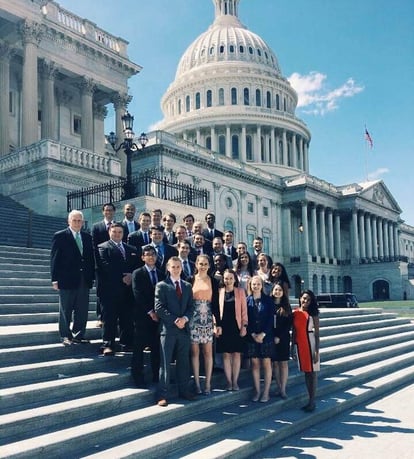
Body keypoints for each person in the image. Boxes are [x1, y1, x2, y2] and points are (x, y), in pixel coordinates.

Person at [154, 257, 195, 407]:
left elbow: (191, 307)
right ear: (168, 268)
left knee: (183, 362)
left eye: (178, 267)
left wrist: (184, 319)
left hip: (183, 330)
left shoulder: (187, 286)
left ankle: (184, 390)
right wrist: (174, 320)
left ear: (181, 268)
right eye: (173, 267)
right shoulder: (162, 285)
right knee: (165, 363)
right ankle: (162, 395)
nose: (176, 269)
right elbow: (159, 308)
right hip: (168, 330)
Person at [50, 210, 95, 346]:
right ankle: (65, 335)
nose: (77, 223)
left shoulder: (87, 237)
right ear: (69, 221)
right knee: (66, 308)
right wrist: (54, 279)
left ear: (82, 222)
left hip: (83, 279)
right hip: (66, 278)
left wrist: (91, 277)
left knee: (82, 309)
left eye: (79, 221)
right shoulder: (60, 236)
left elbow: (90, 259)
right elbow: (54, 259)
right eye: (74, 220)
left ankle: (78, 335)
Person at [96, 223, 140, 355]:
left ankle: (126, 343)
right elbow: (105, 265)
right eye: (114, 232)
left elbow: (136, 265)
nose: (117, 234)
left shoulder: (131, 248)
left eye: (120, 232)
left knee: (126, 318)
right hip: (110, 290)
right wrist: (123, 277)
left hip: (127, 290)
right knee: (109, 319)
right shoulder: (102, 247)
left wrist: (132, 275)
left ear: (123, 233)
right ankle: (108, 344)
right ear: (109, 232)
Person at [130, 245, 165, 387]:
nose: (151, 256)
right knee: (139, 348)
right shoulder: (137, 273)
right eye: (147, 254)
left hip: (158, 317)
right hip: (143, 316)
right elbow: (138, 294)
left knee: (157, 348)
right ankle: (138, 377)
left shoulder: (162, 274)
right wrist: (150, 312)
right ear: (142, 257)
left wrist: (159, 312)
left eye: (153, 254)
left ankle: (157, 375)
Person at [188, 254, 219, 395]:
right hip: (194, 318)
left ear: (209, 265)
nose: (203, 266)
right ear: (196, 265)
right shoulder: (190, 279)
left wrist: (216, 322)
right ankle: (196, 383)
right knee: (195, 352)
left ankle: (207, 383)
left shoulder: (213, 281)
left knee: (208, 352)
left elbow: (216, 304)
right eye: (201, 263)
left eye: (206, 264)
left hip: (207, 318)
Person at [215, 269, 248, 391]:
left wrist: (244, 326)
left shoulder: (240, 292)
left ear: (235, 279)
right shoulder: (219, 292)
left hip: (236, 326)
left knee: (236, 354)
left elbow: (244, 311)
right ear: (223, 279)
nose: (228, 281)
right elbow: (216, 311)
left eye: (230, 278)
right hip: (223, 327)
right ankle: (229, 382)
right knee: (226, 355)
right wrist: (216, 326)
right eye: (226, 278)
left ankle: (235, 381)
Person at [246, 275, 274, 402]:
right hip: (252, 337)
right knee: (255, 364)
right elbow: (245, 320)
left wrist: (263, 334)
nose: (256, 286)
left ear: (262, 285)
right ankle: (257, 391)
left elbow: (270, 319)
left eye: (258, 284)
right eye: (253, 284)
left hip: (266, 336)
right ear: (250, 286)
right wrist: (252, 334)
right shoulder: (247, 300)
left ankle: (266, 392)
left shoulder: (268, 300)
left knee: (266, 364)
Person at [292, 289, 320, 412]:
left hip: (310, 343)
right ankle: (309, 400)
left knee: (312, 374)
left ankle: (312, 401)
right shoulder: (295, 312)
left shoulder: (313, 314)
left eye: (308, 299)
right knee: (306, 373)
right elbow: (294, 331)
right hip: (300, 344)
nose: (305, 301)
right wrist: (292, 346)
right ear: (300, 298)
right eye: (304, 298)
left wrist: (316, 351)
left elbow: (317, 334)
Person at [91, 202, 116, 327]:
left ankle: (113, 316)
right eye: (106, 210)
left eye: (111, 210)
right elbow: (94, 247)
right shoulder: (96, 227)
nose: (109, 212)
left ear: (114, 212)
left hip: (115, 267)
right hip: (100, 267)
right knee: (101, 293)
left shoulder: (119, 226)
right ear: (103, 212)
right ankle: (100, 317)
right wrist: (97, 265)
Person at [271, 282, 293, 399]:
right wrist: (273, 336)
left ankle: (283, 389)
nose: (278, 292)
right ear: (273, 291)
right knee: (275, 364)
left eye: (280, 290)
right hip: (271, 338)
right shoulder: (269, 304)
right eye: (276, 290)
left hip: (283, 338)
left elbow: (288, 325)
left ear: (283, 292)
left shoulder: (286, 306)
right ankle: (279, 387)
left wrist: (279, 336)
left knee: (283, 364)